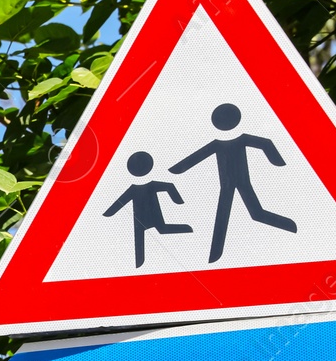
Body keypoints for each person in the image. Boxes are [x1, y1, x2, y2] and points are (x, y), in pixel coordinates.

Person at [168, 103, 297, 263]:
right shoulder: (220, 144)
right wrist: (176, 169)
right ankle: (215, 254)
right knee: (239, 214)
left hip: (240, 182)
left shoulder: (236, 141)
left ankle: (289, 225)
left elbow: (265, 143)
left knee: (249, 214)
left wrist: (278, 161)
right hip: (228, 185)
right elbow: (196, 157)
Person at [102, 150, 192, 267]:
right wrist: (108, 213)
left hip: (147, 216)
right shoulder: (139, 188)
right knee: (147, 234)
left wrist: (178, 201)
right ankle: (139, 263)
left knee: (158, 230)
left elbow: (120, 202)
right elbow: (169, 187)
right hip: (140, 218)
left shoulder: (136, 189)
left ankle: (187, 229)